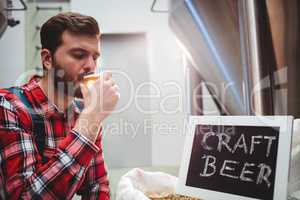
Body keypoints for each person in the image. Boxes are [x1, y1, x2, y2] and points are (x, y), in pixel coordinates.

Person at [0, 12, 119, 199]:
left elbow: (97, 187)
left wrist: (90, 117)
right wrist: (92, 117)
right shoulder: (9, 106)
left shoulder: (84, 113)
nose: (91, 66)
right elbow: (25, 196)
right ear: (48, 59)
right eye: (79, 55)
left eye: (95, 57)